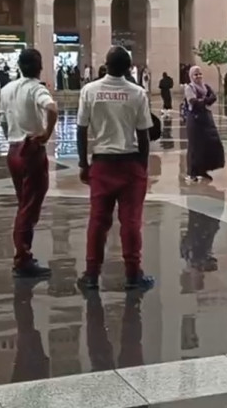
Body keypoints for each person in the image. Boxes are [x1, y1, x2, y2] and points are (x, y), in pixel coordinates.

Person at [76, 47, 155, 291]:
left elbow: (81, 129)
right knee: (131, 222)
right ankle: (133, 274)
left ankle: (91, 275)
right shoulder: (137, 93)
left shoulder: (89, 91)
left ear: (106, 64)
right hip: (130, 163)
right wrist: (141, 166)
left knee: (98, 221)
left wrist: (83, 163)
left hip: (102, 164)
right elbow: (144, 135)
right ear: (129, 68)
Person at [0, 49, 58, 278]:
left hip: (13, 149)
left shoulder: (6, 90)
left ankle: (23, 253)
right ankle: (22, 258)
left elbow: (3, 121)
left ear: (19, 66)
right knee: (29, 206)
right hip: (31, 149)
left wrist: (12, 138)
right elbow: (52, 108)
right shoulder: (36, 88)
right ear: (39, 66)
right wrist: (46, 133)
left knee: (24, 202)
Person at [184, 65, 226, 181]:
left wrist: (203, 101)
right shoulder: (189, 88)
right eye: (196, 74)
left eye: (200, 74)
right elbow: (194, 102)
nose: (198, 76)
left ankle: (203, 170)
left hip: (206, 119)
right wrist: (205, 101)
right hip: (195, 120)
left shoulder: (205, 86)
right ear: (191, 76)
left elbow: (213, 97)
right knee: (195, 146)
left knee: (209, 144)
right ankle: (192, 173)